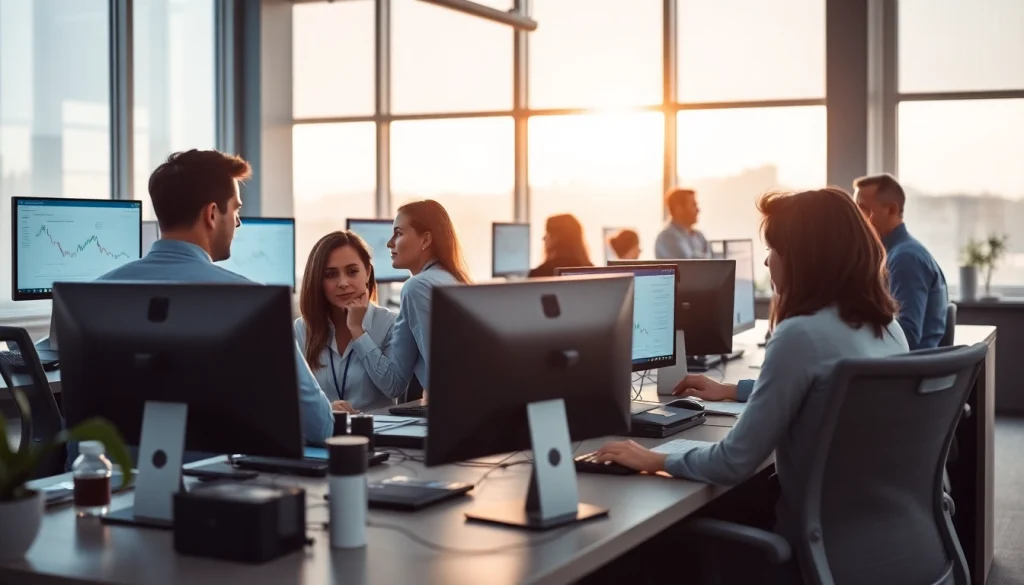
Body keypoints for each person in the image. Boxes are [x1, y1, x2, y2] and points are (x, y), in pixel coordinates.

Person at [594, 188, 909, 581]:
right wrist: (734, 390)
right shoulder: (888, 328)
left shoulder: (800, 336)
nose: (766, 260)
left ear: (803, 258)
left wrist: (654, 459)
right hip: (885, 540)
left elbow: (733, 461)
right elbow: (823, 383)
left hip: (814, 548)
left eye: (773, 249)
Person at [95, 149, 334, 444]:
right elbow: (319, 426)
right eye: (235, 210)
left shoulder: (98, 292)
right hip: (220, 470)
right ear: (211, 214)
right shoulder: (253, 301)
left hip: (116, 470)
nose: (238, 222)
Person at [353, 200, 471, 393]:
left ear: (425, 240)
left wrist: (357, 330)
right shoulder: (454, 279)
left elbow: (394, 384)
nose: (389, 243)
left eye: (398, 233)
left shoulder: (417, 287)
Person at [295, 231, 408, 412]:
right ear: (318, 281)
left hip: (375, 428)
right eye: (330, 275)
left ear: (367, 272)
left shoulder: (389, 324)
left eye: (352, 272)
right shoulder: (302, 329)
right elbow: (290, 396)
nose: (343, 283)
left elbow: (393, 387)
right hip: (327, 428)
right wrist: (326, 409)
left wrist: (358, 331)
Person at [854, 173, 949, 350]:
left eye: (863, 209)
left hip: (907, 365)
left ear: (891, 209)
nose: (857, 217)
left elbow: (907, 336)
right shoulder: (897, 253)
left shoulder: (905, 259)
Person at [528, 214, 592, 278]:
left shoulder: (539, 274)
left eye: (547, 233)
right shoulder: (592, 272)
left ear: (554, 237)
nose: (543, 238)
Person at [655, 187, 710, 259]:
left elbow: (712, 259)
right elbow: (687, 262)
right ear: (679, 209)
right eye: (693, 205)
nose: (698, 210)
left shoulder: (699, 236)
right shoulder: (667, 236)